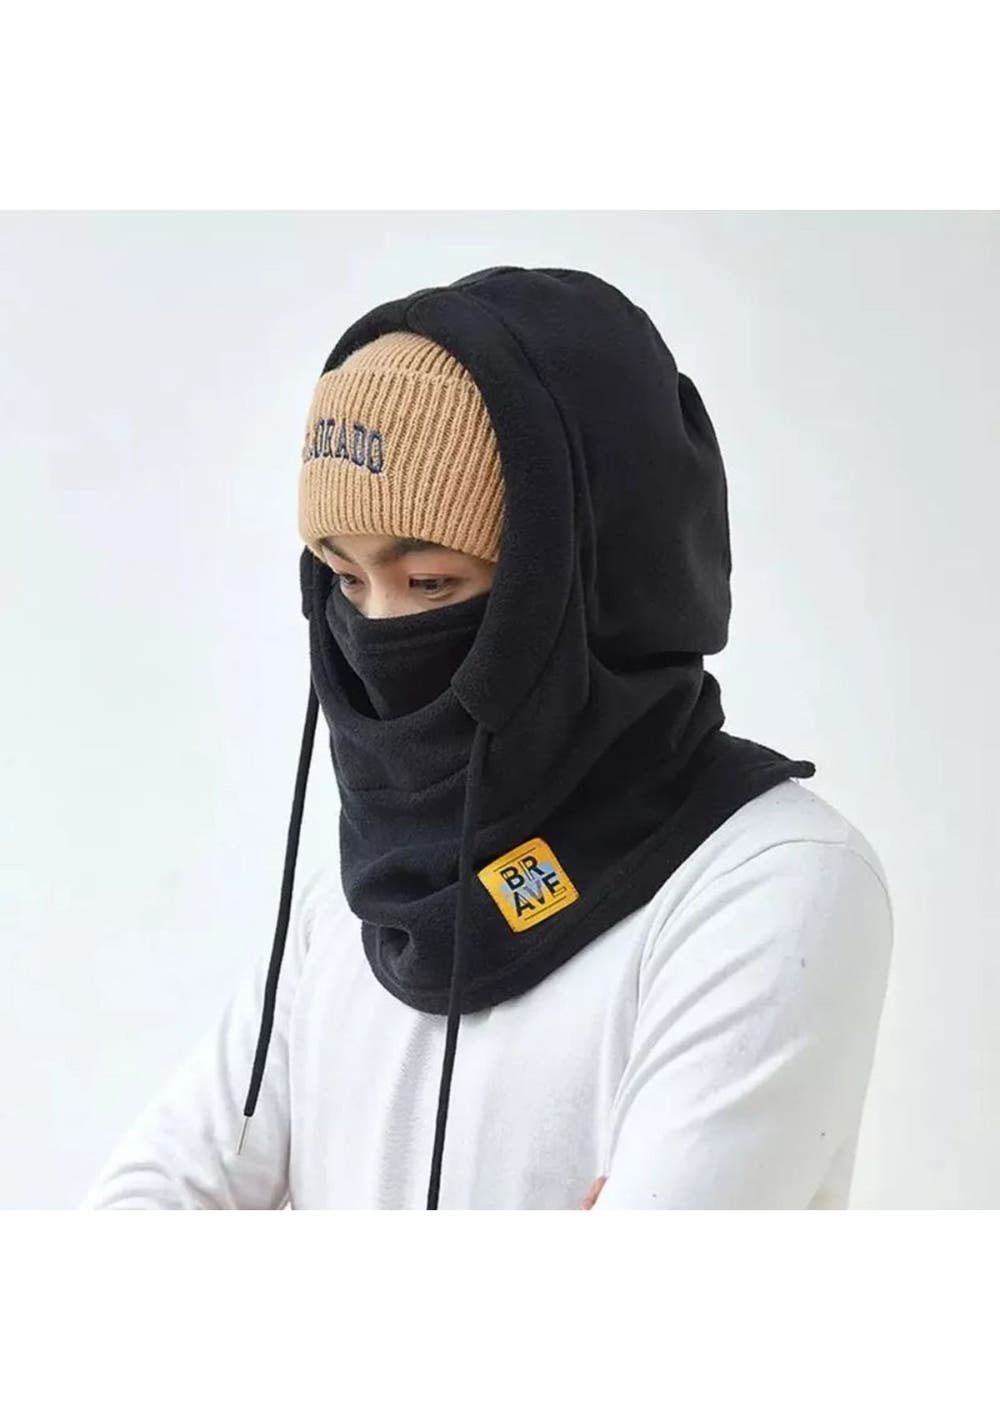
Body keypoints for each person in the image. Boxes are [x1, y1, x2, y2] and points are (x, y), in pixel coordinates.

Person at [81, 265, 893, 1210]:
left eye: (431, 582)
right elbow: (135, 1206)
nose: (377, 631)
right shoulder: (361, 902)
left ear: (591, 582)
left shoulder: (769, 886)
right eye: (344, 579)